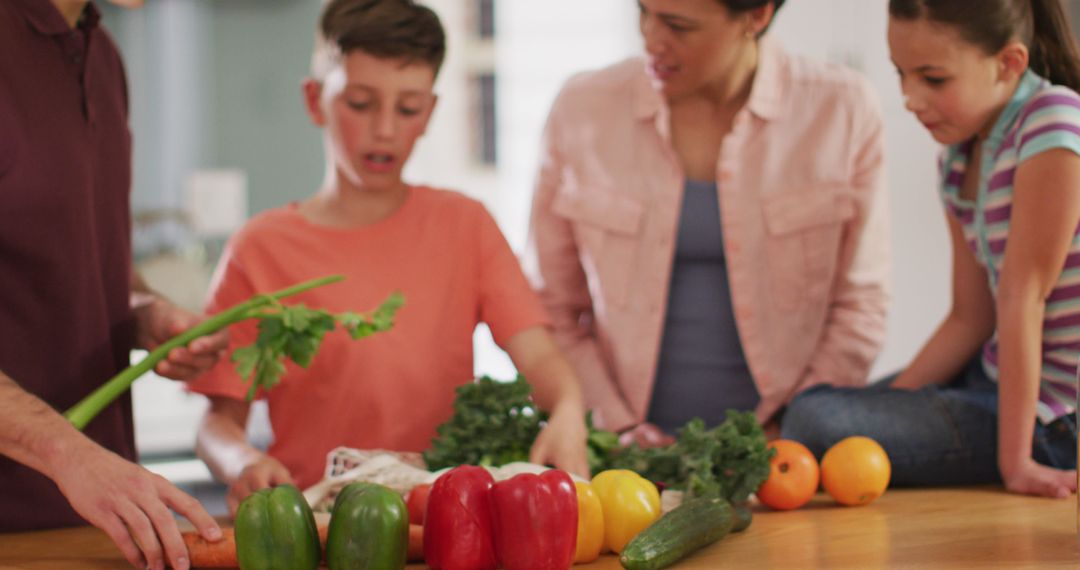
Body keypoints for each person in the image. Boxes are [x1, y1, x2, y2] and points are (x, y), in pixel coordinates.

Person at [190, 0, 590, 516]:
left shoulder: (465, 225)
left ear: (431, 112)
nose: (384, 129)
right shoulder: (260, 247)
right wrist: (241, 460)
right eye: (360, 103)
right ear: (315, 101)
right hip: (316, 524)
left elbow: (538, 356)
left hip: (443, 521)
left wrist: (569, 408)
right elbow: (216, 425)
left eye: (408, 108)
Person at [524, 0, 891, 446]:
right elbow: (550, 307)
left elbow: (861, 303)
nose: (651, 39)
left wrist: (791, 427)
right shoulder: (583, 109)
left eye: (679, 25)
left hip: (786, 455)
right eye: (644, 12)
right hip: (621, 458)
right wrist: (616, 427)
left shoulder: (841, 109)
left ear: (756, 16)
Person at [783, 0, 1080, 499]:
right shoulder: (957, 159)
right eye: (901, 74)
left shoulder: (1052, 124)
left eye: (933, 79)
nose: (909, 98)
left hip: (1054, 417)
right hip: (989, 378)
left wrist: (1018, 464)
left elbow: (1021, 298)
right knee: (817, 410)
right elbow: (970, 317)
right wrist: (887, 412)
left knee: (815, 419)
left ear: (1009, 63)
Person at [0, 0, 230, 568]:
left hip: (97, 526)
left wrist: (145, 311)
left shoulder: (102, 55)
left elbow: (84, 254)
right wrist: (65, 452)